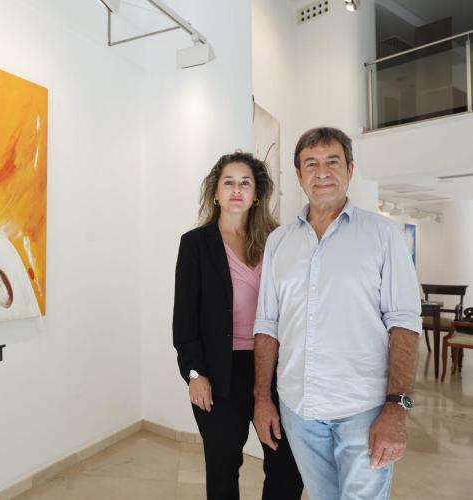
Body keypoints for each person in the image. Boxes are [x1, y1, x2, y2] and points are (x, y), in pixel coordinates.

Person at [253, 127, 422, 500]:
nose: (322, 172)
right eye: (311, 163)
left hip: (363, 408)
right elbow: (267, 325)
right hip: (298, 409)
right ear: (298, 175)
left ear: (350, 169)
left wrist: (397, 408)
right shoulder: (279, 241)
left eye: (332, 161)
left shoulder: (383, 235)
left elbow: (404, 324)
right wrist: (262, 397)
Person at [173, 152, 304, 500]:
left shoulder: (278, 240)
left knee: (287, 466)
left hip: (274, 368)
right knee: (223, 468)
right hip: (220, 373)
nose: (236, 190)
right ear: (215, 193)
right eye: (228, 182)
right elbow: (184, 319)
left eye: (245, 183)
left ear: (256, 194)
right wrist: (195, 373)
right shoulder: (195, 244)